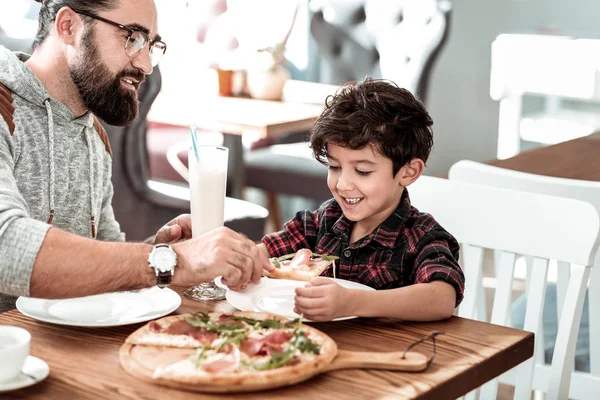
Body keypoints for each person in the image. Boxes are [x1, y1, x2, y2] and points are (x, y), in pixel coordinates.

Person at [0, 0, 269, 312]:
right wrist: (173, 262)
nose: (146, 65)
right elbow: (6, 247)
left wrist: (160, 250)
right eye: (132, 37)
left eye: (151, 45)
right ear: (68, 27)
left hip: (62, 348)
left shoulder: (94, 137)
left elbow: (104, 257)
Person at [257, 78, 465, 322]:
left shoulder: (421, 236)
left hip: (390, 354)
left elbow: (441, 298)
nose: (343, 184)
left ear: (408, 172)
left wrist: (353, 302)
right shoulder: (322, 221)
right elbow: (265, 252)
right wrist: (247, 261)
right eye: (334, 167)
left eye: (363, 171)